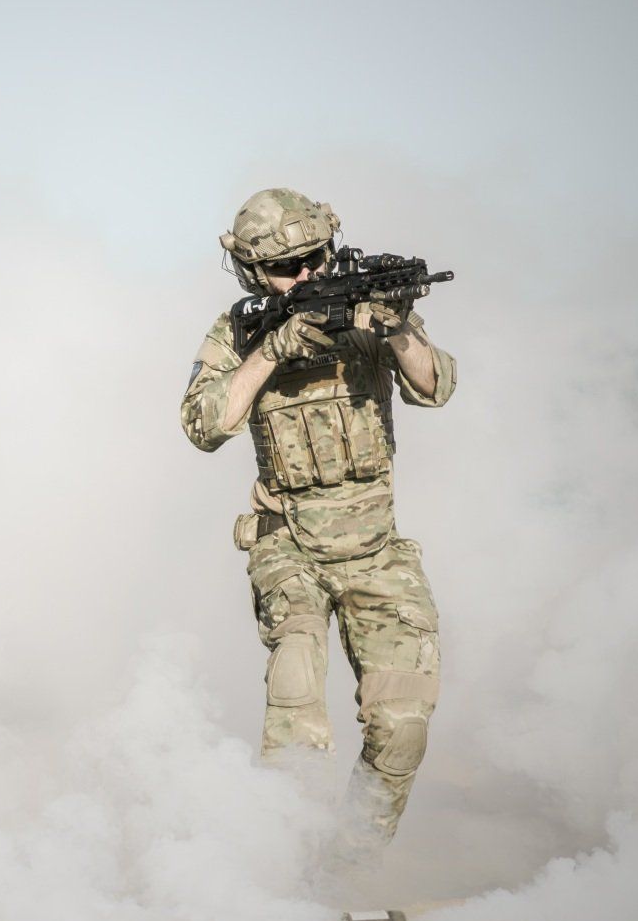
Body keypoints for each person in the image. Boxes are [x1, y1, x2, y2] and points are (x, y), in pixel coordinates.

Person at [179, 188, 456, 847]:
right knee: (297, 708)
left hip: (377, 549)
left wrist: (392, 326)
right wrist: (274, 349)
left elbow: (435, 385)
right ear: (252, 272)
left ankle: (349, 865)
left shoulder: (369, 308)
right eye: (286, 267)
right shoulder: (238, 331)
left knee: (403, 724)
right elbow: (203, 424)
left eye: (315, 258)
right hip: (289, 544)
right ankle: (283, 867)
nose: (305, 275)